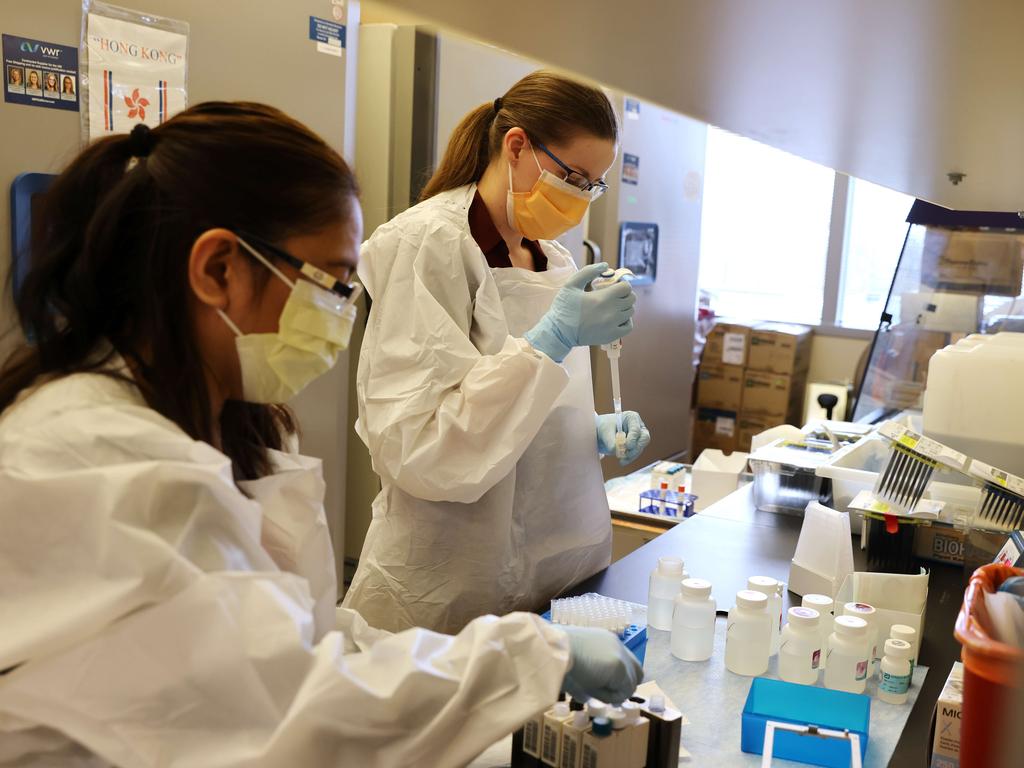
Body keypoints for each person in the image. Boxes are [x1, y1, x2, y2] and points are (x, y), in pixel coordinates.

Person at [0, 102, 641, 767]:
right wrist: (529, 662)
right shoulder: (97, 457)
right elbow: (292, 711)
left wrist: (518, 660)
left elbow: (299, 631)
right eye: (331, 285)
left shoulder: (217, 422)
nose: (342, 315)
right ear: (219, 269)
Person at [345, 71, 652, 634]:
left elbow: (527, 401)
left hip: (558, 564)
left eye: (595, 184)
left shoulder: (556, 259)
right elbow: (422, 447)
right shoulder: (428, 244)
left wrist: (587, 427)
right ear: (517, 147)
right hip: (446, 581)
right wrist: (551, 341)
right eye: (574, 176)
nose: (582, 198)